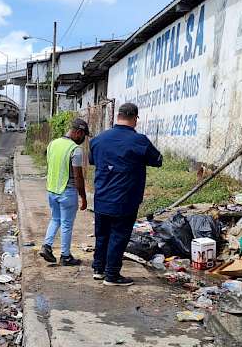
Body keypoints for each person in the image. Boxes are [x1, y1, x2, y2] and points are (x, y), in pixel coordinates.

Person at [89, 103, 162, 286]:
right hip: (125, 199)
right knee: (118, 236)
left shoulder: (98, 140)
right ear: (135, 118)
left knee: (102, 235)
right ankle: (112, 275)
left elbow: (92, 160)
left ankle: (98, 269)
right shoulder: (139, 141)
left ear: (118, 116)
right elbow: (157, 160)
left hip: (101, 197)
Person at [39, 118, 89, 266]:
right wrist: (83, 197)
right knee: (67, 224)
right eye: (83, 136)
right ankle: (65, 256)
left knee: (55, 219)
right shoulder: (75, 149)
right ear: (78, 132)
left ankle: (46, 246)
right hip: (67, 192)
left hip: (52, 190)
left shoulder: (52, 144)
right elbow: (78, 177)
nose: (83, 140)